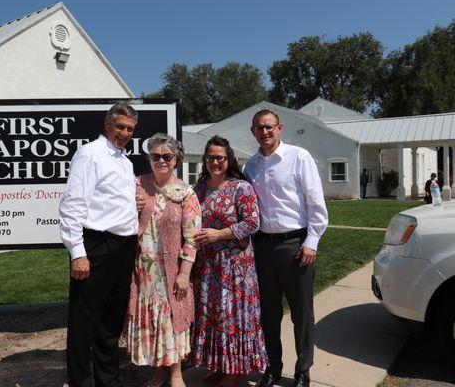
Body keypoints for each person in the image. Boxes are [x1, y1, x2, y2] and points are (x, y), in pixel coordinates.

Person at [245, 109, 328, 387]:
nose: (265, 132)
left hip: (295, 246)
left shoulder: (299, 157)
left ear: (279, 128)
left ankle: (303, 370)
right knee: (268, 314)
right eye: (259, 128)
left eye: (269, 127)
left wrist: (311, 242)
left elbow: (316, 203)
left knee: (302, 314)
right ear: (253, 131)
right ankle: (272, 368)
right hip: (263, 248)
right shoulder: (251, 166)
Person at [59, 103, 139, 387]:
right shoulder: (90, 154)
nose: (124, 133)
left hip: (123, 248)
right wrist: (78, 253)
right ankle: (80, 381)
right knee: (84, 322)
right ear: (107, 125)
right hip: (97, 247)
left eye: (129, 129)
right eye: (119, 126)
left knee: (110, 323)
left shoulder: (124, 161)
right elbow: (72, 205)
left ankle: (108, 380)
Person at [190, 135, 268, 387]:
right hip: (207, 267)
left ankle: (234, 371)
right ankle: (219, 365)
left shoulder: (240, 188)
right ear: (205, 159)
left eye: (220, 157)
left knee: (232, 318)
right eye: (211, 157)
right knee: (212, 317)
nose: (215, 162)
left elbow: (252, 223)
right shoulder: (199, 189)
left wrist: (219, 233)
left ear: (228, 159)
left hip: (234, 268)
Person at [125, 133, 201, 387]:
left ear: (176, 159)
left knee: (171, 320)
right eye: (156, 156)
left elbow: (192, 238)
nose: (161, 160)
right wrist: (130, 207)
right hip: (143, 271)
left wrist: (184, 273)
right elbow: (122, 218)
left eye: (166, 156)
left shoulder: (186, 193)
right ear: (149, 159)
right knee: (152, 320)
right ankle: (157, 372)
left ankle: (176, 373)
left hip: (170, 270)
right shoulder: (137, 185)